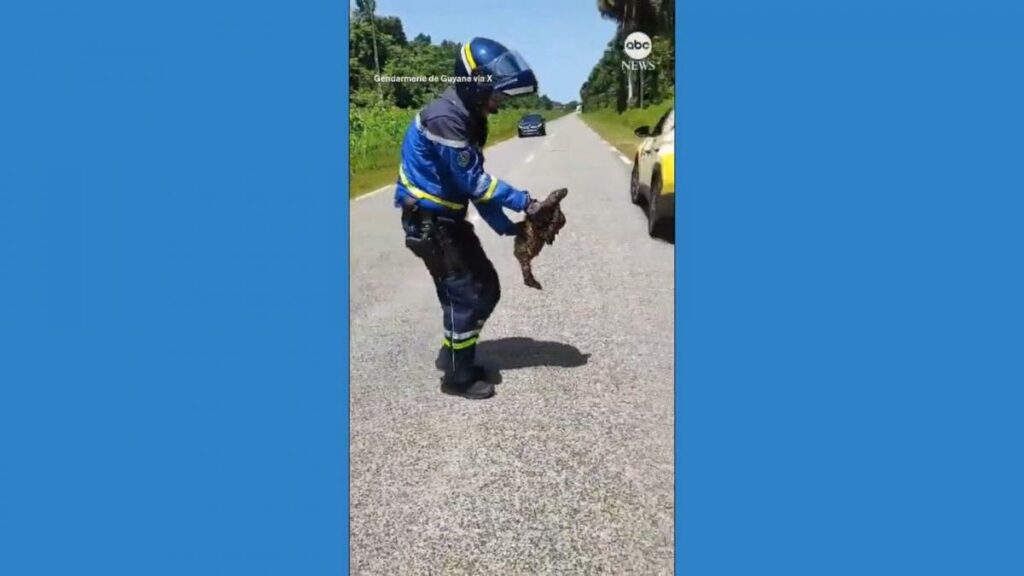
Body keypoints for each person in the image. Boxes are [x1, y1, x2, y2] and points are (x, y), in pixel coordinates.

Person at [394, 37, 542, 400]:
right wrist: (526, 202)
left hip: (447, 220)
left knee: (482, 288)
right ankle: (457, 378)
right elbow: (474, 181)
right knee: (468, 294)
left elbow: (476, 188)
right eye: (496, 94)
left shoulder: (469, 117)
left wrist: (508, 227)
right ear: (475, 84)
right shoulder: (446, 118)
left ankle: (459, 357)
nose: (499, 103)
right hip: (430, 222)